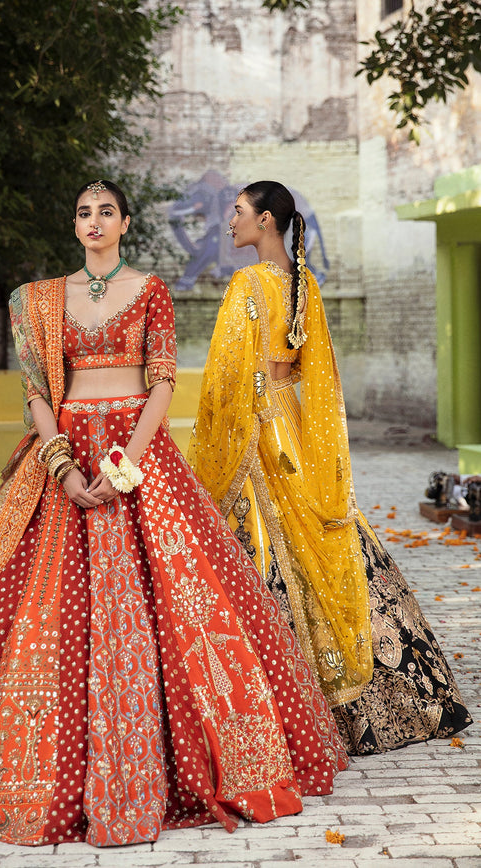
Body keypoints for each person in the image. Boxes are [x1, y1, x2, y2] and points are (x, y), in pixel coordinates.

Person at [0, 180, 349, 848]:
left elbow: (161, 380)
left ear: (125, 222)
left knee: (187, 604)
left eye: (105, 212)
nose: (93, 221)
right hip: (67, 458)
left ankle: (187, 765)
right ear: (73, 225)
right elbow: (38, 390)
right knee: (44, 614)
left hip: (139, 457)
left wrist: (126, 463)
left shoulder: (151, 289)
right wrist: (64, 467)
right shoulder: (39, 299)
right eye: (82, 213)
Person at [188, 180, 472, 756]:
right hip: (293, 422)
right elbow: (319, 377)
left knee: (267, 547)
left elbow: (223, 382)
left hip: (257, 428)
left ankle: (280, 707)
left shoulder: (246, 284)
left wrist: (211, 448)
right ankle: (386, 695)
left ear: (266, 221)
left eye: (238, 212)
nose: (229, 222)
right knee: (330, 539)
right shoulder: (304, 282)